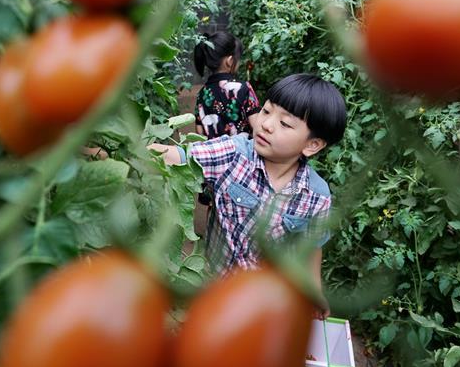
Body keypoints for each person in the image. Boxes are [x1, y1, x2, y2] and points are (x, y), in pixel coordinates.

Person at [149, 73, 347, 316]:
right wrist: (119, 149)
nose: (266, 124)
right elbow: (176, 157)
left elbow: (313, 246)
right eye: (266, 111)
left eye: (285, 123)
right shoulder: (233, 154)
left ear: (312, 145)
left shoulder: (317, 196)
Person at [193, 32, 260, 139]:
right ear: (230, 61)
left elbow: (199, 132)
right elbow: (257, 127)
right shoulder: (243, 88)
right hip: (242, 154)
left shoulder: (202, 94)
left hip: (213, 154)